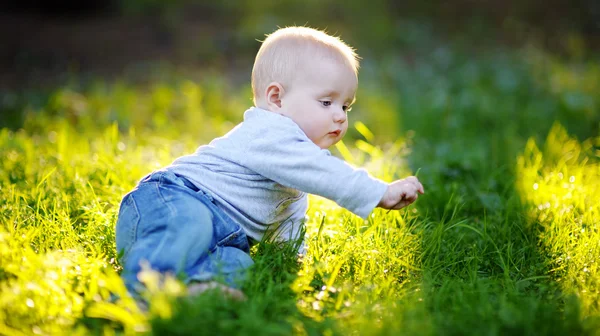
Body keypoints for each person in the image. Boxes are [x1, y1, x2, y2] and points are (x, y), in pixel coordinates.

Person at [115, 26, 424, 300]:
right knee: (190, 224)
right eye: (327, 102)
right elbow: (324, 172)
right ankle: (140, 288)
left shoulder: (292, 168)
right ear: (276, 98)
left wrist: (293, 260)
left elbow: (288, 222)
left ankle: (192, 289)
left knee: (239, 264)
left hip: (221, 237)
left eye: (346, 105)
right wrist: (378, 192)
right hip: (171, 200)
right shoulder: (269, 131)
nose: (340, 115)